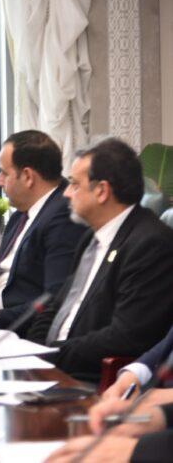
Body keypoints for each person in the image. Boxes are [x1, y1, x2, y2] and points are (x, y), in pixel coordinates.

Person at [26, 138, 173, 382]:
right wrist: (33, 353)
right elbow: (56, 306)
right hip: (53, 367)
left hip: (92, 377)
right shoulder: (90, 238)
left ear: (102, 191)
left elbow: (126, 335)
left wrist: (51, 356)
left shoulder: (150, 244)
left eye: (74, 185)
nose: (66, 193)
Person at [0, 130, 87, 333]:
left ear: (28, 176)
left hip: (20, 335)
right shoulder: (20, 215)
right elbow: (5, 276)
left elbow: (55, 300)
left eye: (4, 173)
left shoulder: (63, 218)